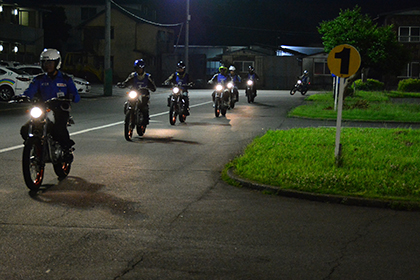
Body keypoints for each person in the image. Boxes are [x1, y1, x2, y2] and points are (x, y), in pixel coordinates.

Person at [20, 48, 80, 160]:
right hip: (42, 108)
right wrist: (23, 97)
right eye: (45, 63)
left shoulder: (66, 79)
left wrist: (71, 97)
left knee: (58, 129)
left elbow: (75, 95)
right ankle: (36, 147)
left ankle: (66, 149)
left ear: (57, 63)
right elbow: (30, 91)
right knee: (25, 129)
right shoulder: (39, 79)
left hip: (60, 109)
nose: (47, 65)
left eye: (50, 63)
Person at [117, 59, 157, 124]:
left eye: (141, 68)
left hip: (144, 94)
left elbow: (153, 86)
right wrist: (122, 84)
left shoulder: (148, 76)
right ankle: (130, 115)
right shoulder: (133, 75)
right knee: (129, 102)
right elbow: (127, 82)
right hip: (134, 92)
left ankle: (145, 120)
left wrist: (151, 88)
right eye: (138, 68)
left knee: (144, 107)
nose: (139, 70)